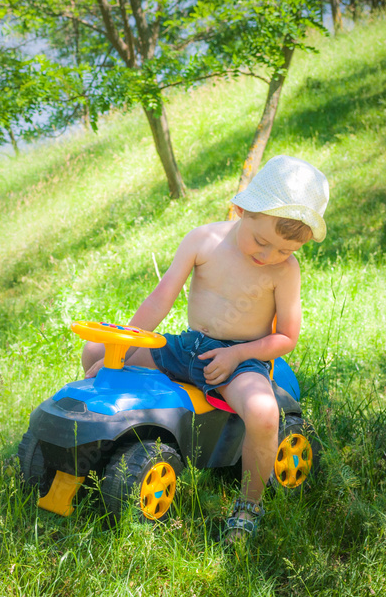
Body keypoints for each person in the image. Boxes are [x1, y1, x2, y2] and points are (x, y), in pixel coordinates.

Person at [81, 155, 329, 545]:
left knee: (264, 413)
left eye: (285, 250)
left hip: (241, 357)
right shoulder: (204, 240)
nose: (269, 255)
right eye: (262, 241)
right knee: (97, 352)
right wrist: (125, 345)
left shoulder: (285, 271)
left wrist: (236, 355)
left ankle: (248, 506)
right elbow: (161, 298)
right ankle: (95, 445)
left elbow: (286, 338)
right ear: (243, 210)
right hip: (188, 346)